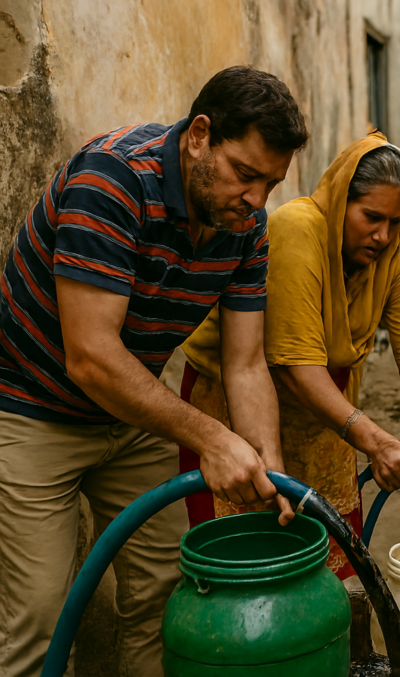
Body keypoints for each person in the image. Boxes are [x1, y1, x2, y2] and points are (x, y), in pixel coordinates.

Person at [0, 66, 307, 676]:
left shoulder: (245, 225)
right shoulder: (110, 182)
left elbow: (245, 364)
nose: (255, 200)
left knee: (162, 595)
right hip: (32, 408)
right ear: (199, 135)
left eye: (270, 183)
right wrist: (214, 438)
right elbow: (90, 358)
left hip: (132, 412)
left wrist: (268, 467)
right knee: (39, 615)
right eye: (245, 174)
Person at [181, 134, 400, 579]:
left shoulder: (394, 259)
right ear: (340, 201)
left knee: (327, 569)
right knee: (244, 569)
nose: (383, 236)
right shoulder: (299, 229)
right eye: (371, 217)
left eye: (396, 222)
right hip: (235, 409)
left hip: (326, 419)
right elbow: (295, 369)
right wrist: (377, 442)